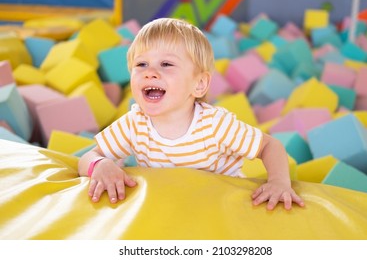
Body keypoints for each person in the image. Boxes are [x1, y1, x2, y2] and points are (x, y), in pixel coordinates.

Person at [78, 17, 305, 211]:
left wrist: (278, 181)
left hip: (218, 208)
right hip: (167, 209)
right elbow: (88, 157)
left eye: (166, 64)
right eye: (141, 64)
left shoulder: (214, 124)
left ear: (199, 84)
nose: (150, 73)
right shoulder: (134, 123)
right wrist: (99, 165)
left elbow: (269, 146)